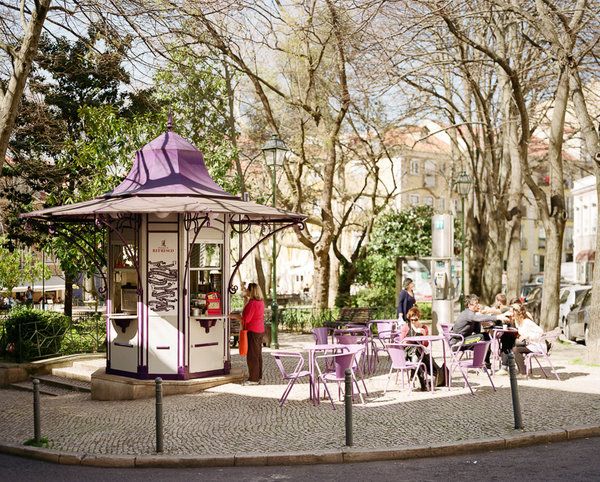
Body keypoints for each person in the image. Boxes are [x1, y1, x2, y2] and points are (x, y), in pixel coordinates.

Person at [451, 294, 508, 368]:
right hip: (458, 342)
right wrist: (498, 317)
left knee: (485, 336)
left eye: (478, 303)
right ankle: (481, 364)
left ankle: (486, 363)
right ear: (469, 305)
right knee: (483, 337)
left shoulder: (473, 315)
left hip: (465, 340)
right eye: (476, 304)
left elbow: (477, 330)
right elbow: (478, 319)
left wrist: (480, 321)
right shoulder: (468, 313)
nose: (478, 305)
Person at [397, 306, 445, 390]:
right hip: (408, 353)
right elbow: (401, 342)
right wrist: (409, 341)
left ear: (418, 318)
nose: (413, 322)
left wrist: (424, 335)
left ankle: (415, 377)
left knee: (418, 356)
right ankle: (423, 383)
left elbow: (426, 344)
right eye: (411, 320)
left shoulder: (424, 328)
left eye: (415, 320)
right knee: (416, 355)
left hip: (421, 351)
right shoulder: (406, 327)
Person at [229, 282, 265, 385]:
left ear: (251, 291)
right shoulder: (260, 302)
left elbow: (246, 319)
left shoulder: (252, 303)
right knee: (257, 355)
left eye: (247, 290)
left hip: (252, 331)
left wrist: (233, 316)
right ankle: (258, 377)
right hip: (259, 330)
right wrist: (245, 300)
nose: (246, 291)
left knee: (252, 355)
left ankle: (253, 379)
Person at [511, 302, 544, 376]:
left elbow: (541, 332)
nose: (512, 314)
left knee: (516, 349)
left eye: (513, 312)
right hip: (529, 344)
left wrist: (527, 336)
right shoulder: (518, 323)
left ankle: (523, 372)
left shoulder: (527, 322)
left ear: (517, 313)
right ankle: (521, 371)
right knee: (513, 346)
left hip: (537, 345)